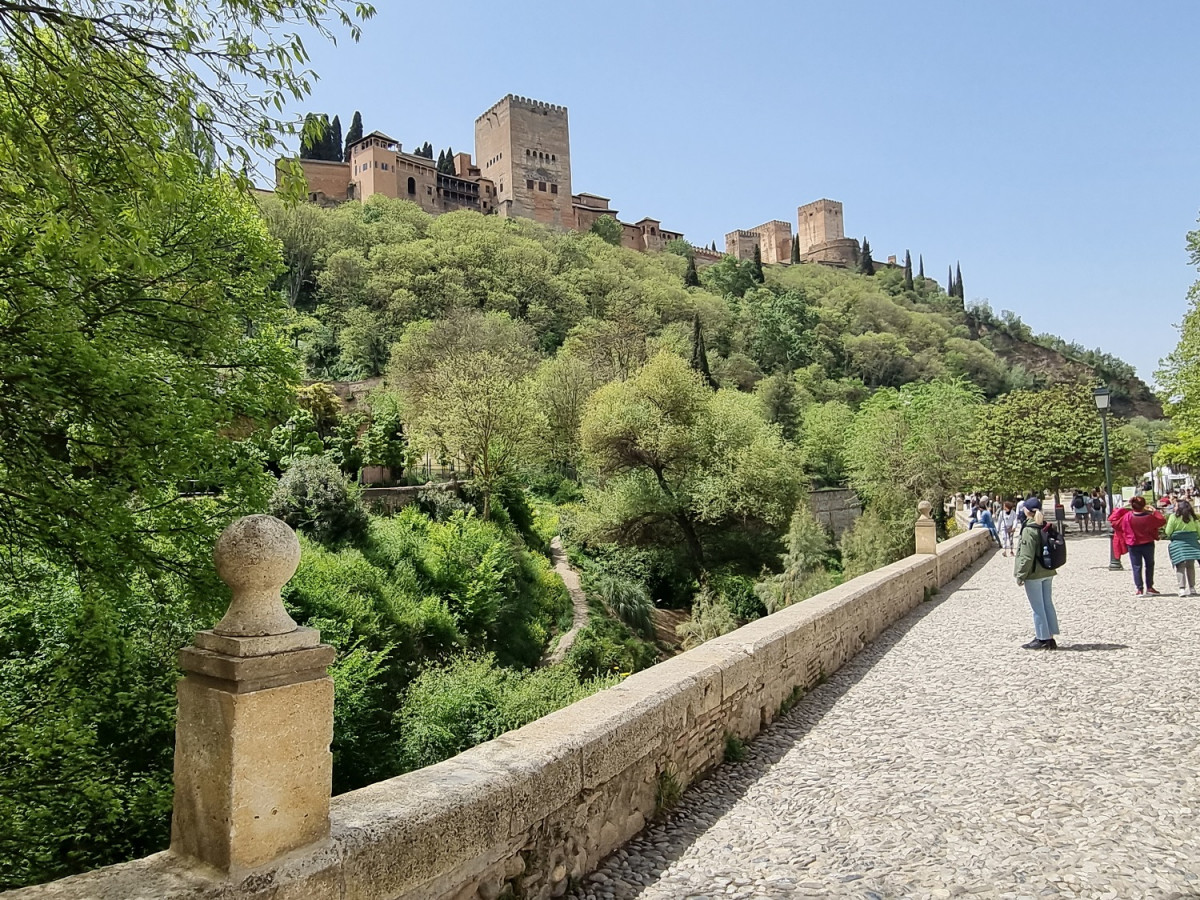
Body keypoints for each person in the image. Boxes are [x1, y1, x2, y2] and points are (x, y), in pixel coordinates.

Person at [1014, 498, 1059, 650]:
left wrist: (1020, 575)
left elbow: (1026, 556)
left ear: (1027, 511)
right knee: (1047, 604)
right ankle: (1050, 636)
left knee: (1038, 607)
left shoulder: (1029, 529)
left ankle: (1042, 638)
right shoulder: (1044, 526)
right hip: (1048, 570)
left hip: (1034, 574)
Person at [1109, 496, 1166, 597]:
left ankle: (1139, 589)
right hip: (1148, 543)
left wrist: (1122, 508)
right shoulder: (1149, 517)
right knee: (1149, 565)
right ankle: (1149, 587)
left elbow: (1114, 523)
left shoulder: (1127, 516)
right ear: (1144, 505)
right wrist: (1154, 511)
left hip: (1133, 544)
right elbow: (1161, 521)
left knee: (1136, 567)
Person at [1164, 500, 1200, 597]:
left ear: (1179, 507)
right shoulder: (1193, 518)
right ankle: (1192, 588)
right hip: (1191, 544)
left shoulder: (1173, 517)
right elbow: (1199, 532)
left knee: (1180, 566)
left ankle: (1182, 589)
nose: (1174, 507)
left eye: (1175, 506)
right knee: (1190, 566)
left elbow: (1168, 531)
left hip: (1178, 544)